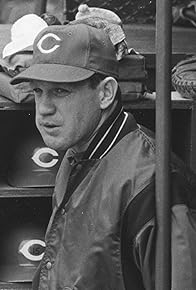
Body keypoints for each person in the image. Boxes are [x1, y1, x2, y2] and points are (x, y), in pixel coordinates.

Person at [11, 23, 196, 290]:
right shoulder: (77, 151)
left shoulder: (154, 181)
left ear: (105, 93)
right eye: (38, 91)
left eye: (60, 91)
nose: (44, 109)